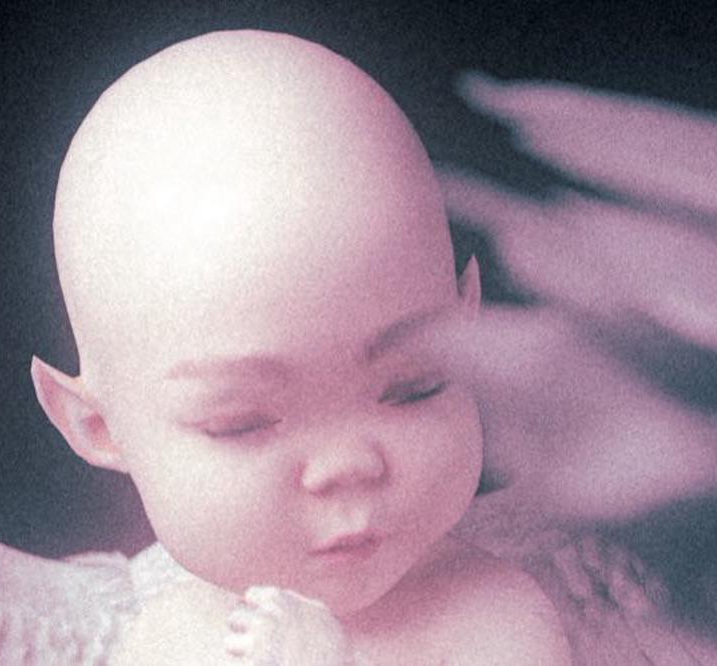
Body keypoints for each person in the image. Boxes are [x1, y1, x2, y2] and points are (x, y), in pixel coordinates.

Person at [29, 29, 573, 665]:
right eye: (242, 422)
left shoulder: (493, 623)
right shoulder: (167, 639)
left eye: (414, 386)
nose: (348, 465)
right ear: (97, 427)